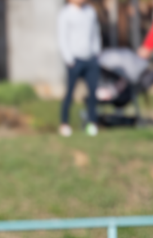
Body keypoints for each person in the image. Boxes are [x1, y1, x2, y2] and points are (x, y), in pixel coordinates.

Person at [57, 0, 102, 137]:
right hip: (75, 60)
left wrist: (96, 52)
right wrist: (69, 59)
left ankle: (92, 123)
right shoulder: (65, 14)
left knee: (93, 93)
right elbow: (62, 38)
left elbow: (95, 33)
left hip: (90, 59)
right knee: (70, 93)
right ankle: (64, 123)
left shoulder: (90, 12)